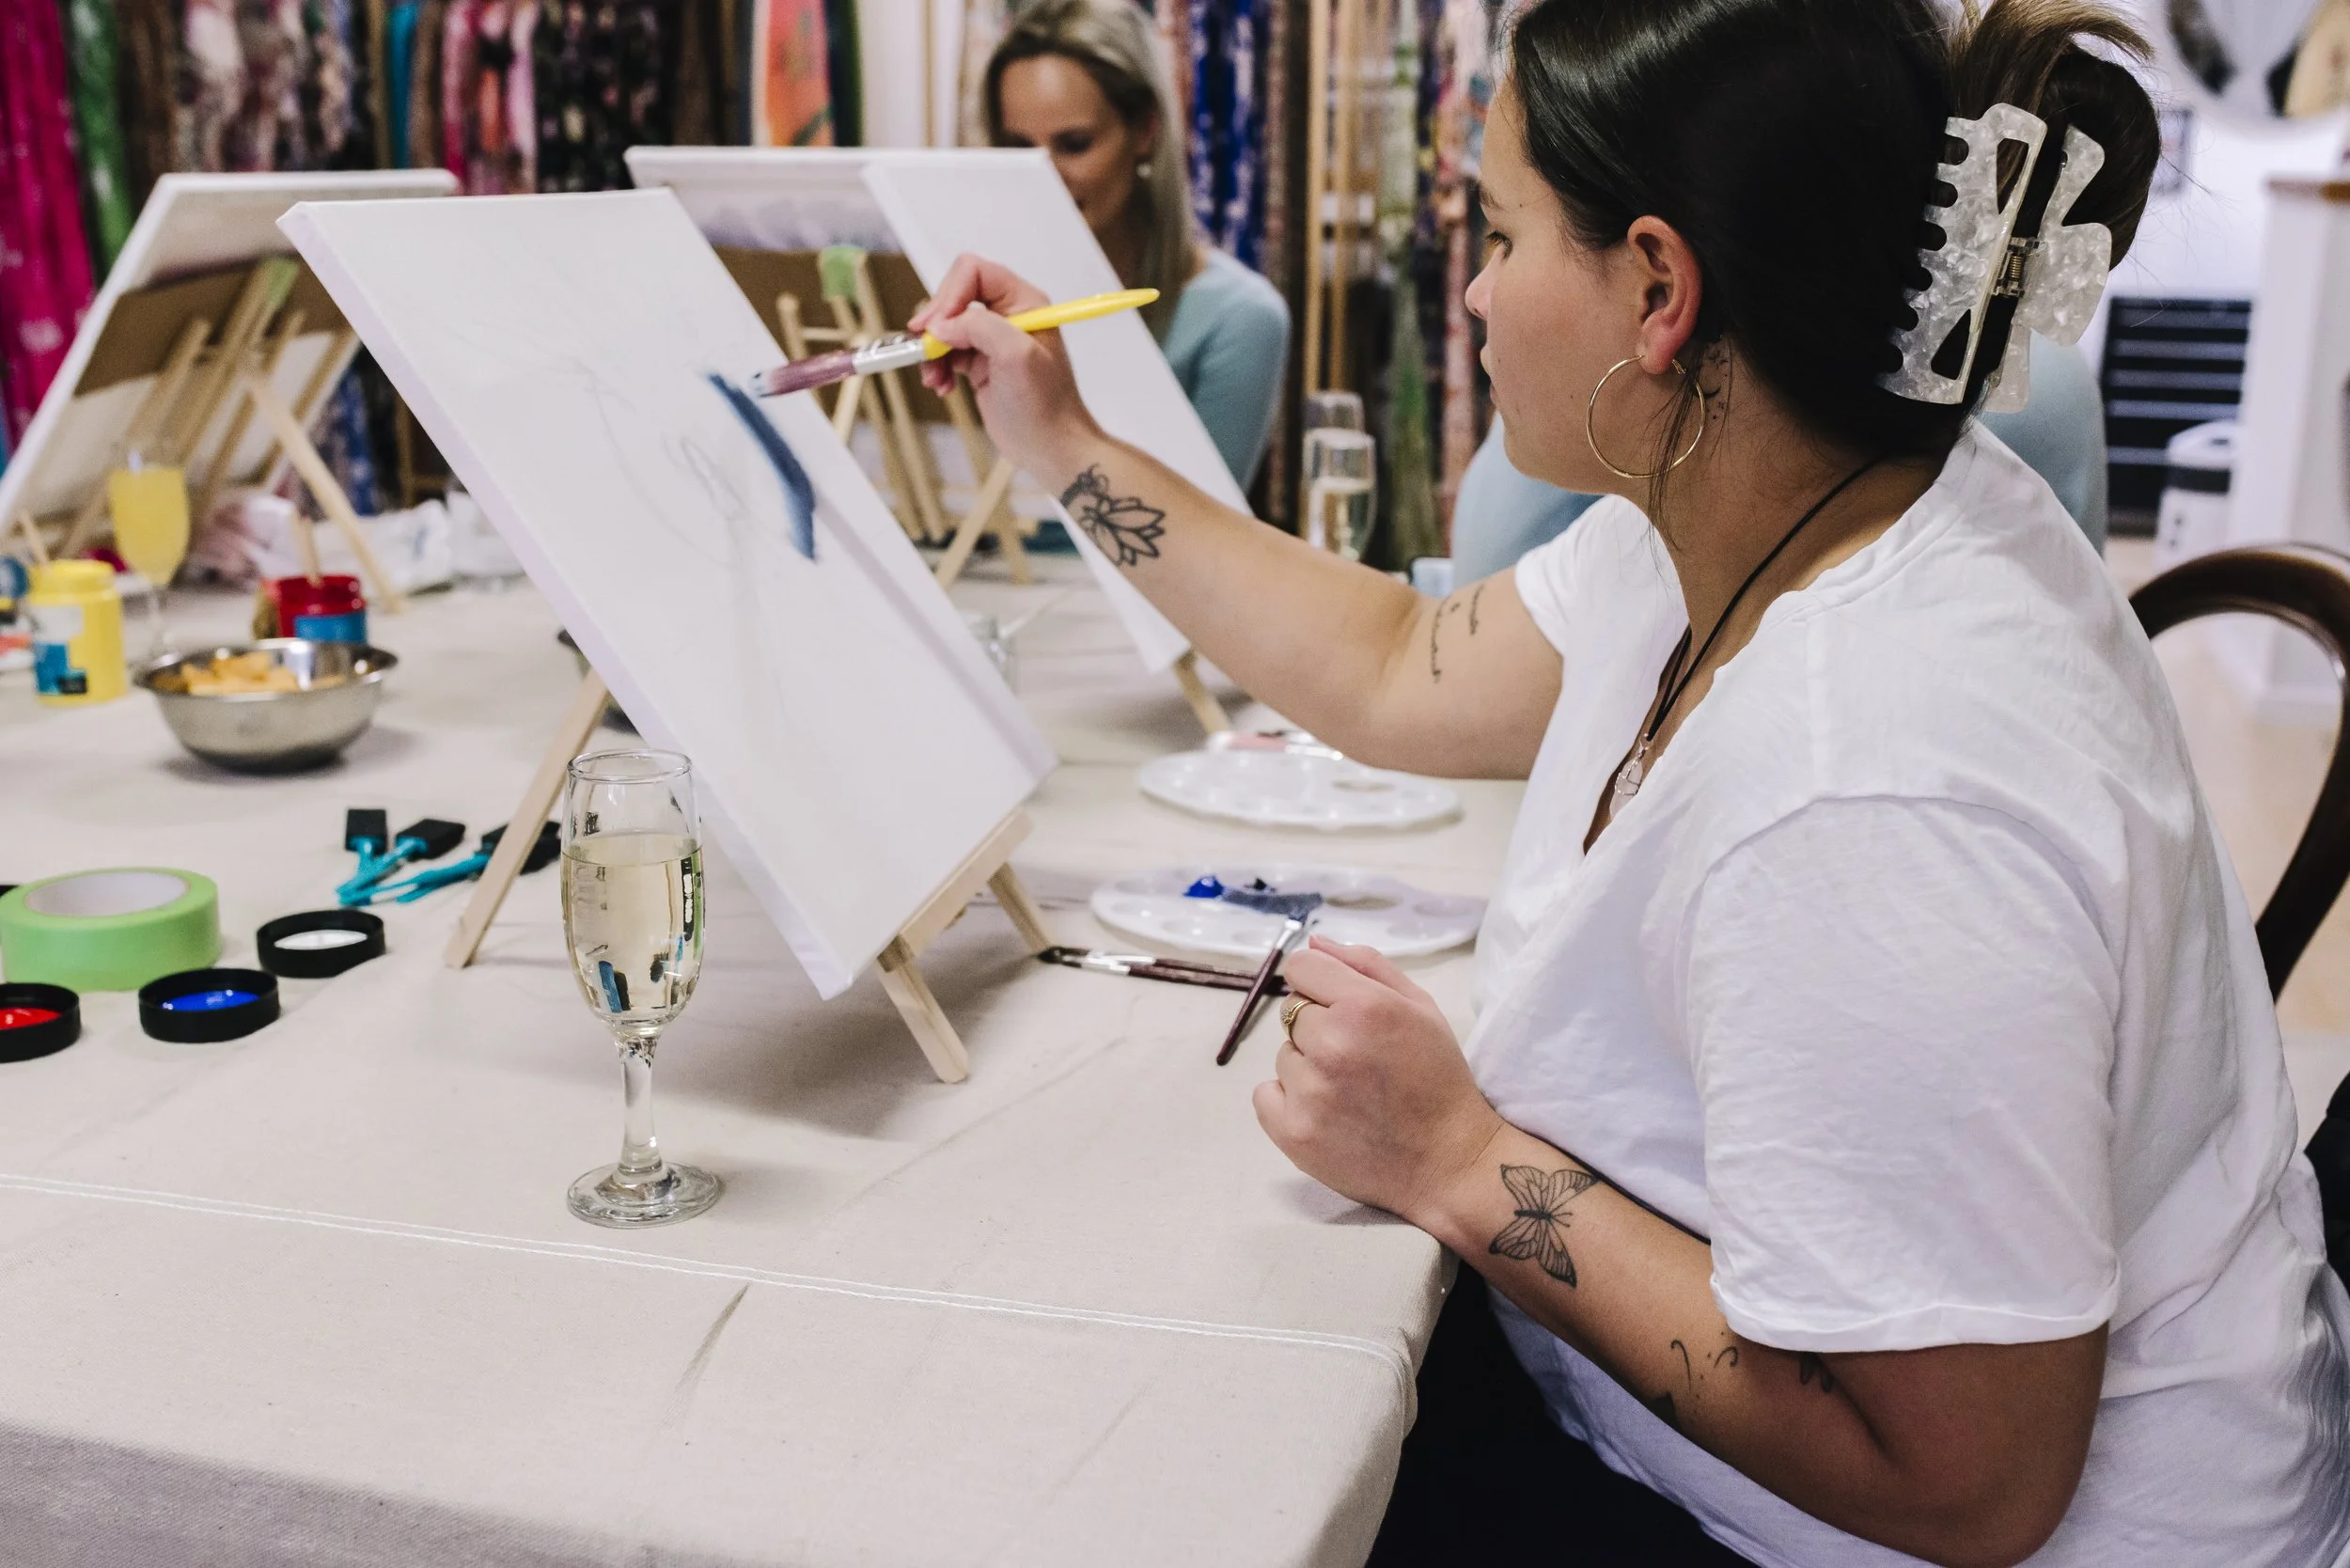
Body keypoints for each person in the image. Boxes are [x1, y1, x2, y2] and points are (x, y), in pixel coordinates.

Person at [915, 0, 2350, 1561]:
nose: (1469, 288)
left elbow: (1970, 1480)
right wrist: (1057, 441)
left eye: (1504, 230)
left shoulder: (1874, 778)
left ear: (1660, 288)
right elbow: (1399, 662)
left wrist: (1463, 1159)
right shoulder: (1787, 483)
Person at [1452, 335, 2108, 583]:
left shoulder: (1760, 372)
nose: (1482, 290)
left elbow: (1488, 552)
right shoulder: (2043, 357)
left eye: (1508, 237)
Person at [986, 0, 1290, 490]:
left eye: (1075, 144)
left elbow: (1208, 533)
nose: (1042, 175)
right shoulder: (988, 304)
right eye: (1019, 149)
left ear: (1146, 131)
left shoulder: (1240, 320)